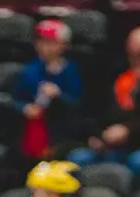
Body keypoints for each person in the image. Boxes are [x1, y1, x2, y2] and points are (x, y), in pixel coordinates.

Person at [75, 27, 140, 175]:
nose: (136, 62)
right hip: (121, 144)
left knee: (138, 162)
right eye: (132, 56)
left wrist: (129, 130)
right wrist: (99, 135)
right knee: (78, 158)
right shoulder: (124, 78)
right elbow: (104, 113)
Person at [14, 20, 83, 163]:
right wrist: (25, 108)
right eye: (41, 42)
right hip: (35, 129)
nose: (45, 47)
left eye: (51, 42)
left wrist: (59, 95)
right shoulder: (30, 70)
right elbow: (17, 98)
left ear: (64, 45)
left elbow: (78, 104)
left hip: (63, 130)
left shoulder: (72, 71)